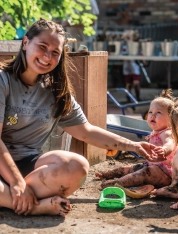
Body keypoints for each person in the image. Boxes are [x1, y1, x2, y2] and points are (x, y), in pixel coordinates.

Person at [0, 19, 160, 216]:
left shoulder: (56, 91)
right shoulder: (2, 81)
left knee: (77, 166)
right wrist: (17, 183)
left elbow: (86, 132)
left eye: (55, 52)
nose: (47, 56)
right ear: (25, 43)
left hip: (28, 165)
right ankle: (33, 205)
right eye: (42, 47)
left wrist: (133, 146)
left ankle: (12, 197)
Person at [96, 89, 176, 189]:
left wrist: (164, 150)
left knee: (141, 174)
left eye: (158, 112)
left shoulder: (167, 132)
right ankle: (108, 174)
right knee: (130, 169)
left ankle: (117, 183)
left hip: (165, 173)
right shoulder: (157, 131)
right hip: (152, 167)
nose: (153, 115)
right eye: (150, 112)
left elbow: (170, 143)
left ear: (171, 118)